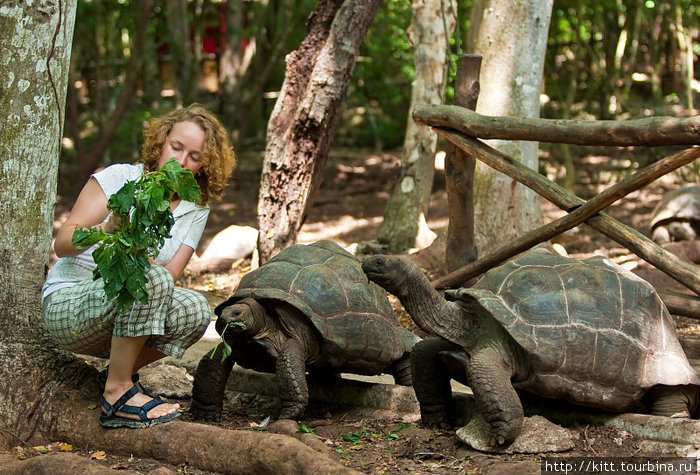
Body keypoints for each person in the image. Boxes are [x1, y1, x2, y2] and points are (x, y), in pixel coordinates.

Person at [42, 103, 236, 428]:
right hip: (71, 304)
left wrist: (140, 259)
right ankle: (117, 394)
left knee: (196, 310)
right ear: (161, 142)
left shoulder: (196, 208)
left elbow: (169, 277)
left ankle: (115, 378)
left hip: (126, 319)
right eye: (176, 148)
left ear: (204, 166)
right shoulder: (121, 178)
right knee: (152, 278)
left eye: (195, 156)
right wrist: (106, 230)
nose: (181, 162)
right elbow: (62, 244)